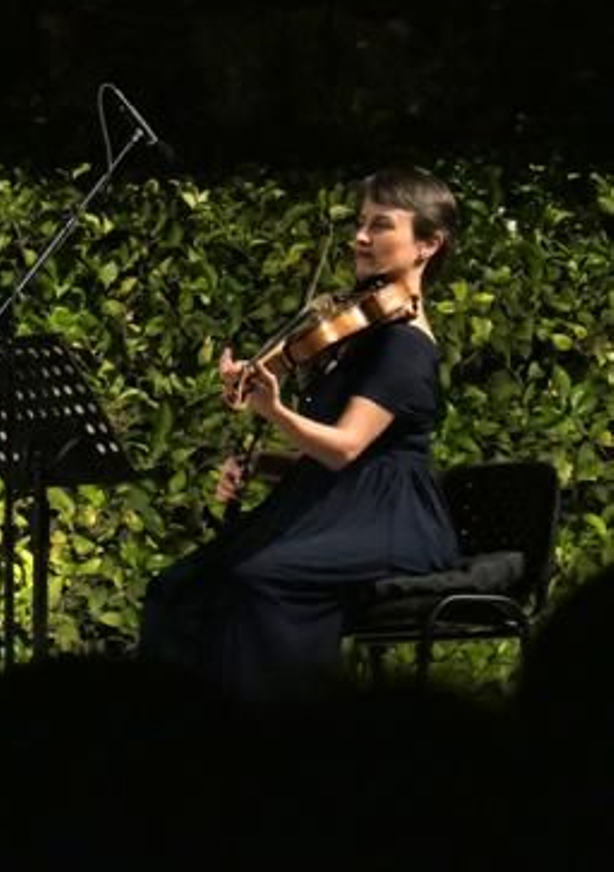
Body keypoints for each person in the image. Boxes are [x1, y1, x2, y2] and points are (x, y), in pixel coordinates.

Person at [138, 167, 461, 702]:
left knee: (261, 577)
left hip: (392, 519)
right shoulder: (361, 333)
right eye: (360, 224)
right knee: (181, 586)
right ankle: (182, 743)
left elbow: (347, 449)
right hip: (346, 499)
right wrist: (263, 462)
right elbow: (340, 458)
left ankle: (283, 744)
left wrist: (274, 410)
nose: (359, 237)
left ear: (428, 244)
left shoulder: (404, 345)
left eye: (380, 226)